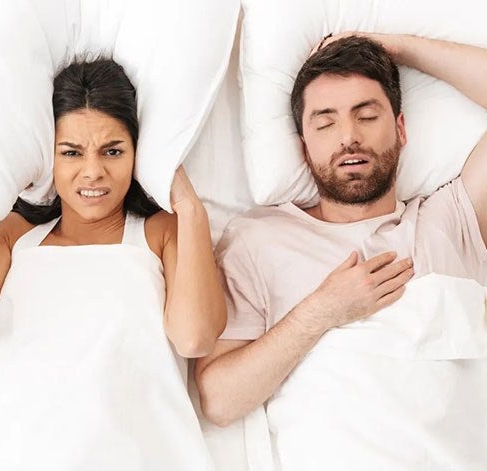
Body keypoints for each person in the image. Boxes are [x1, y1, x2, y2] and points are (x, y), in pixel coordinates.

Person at [196, 34, 487, 469]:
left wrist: (399, 47)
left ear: (401, 129)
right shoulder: (259, 239)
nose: (349, 137)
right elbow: (219, 401)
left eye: (366, 116)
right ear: (303, 147)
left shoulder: (450, 221)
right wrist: (324, 310)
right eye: (325, 123)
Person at [0, 58, 226, 470]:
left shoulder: (162, 232)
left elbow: (195, 338)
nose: (93, 173)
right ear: (48, 157)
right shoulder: (12, 235)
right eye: (71, 153)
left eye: (112, 151)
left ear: (137, 154)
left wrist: (189, 205)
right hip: (12, 451)